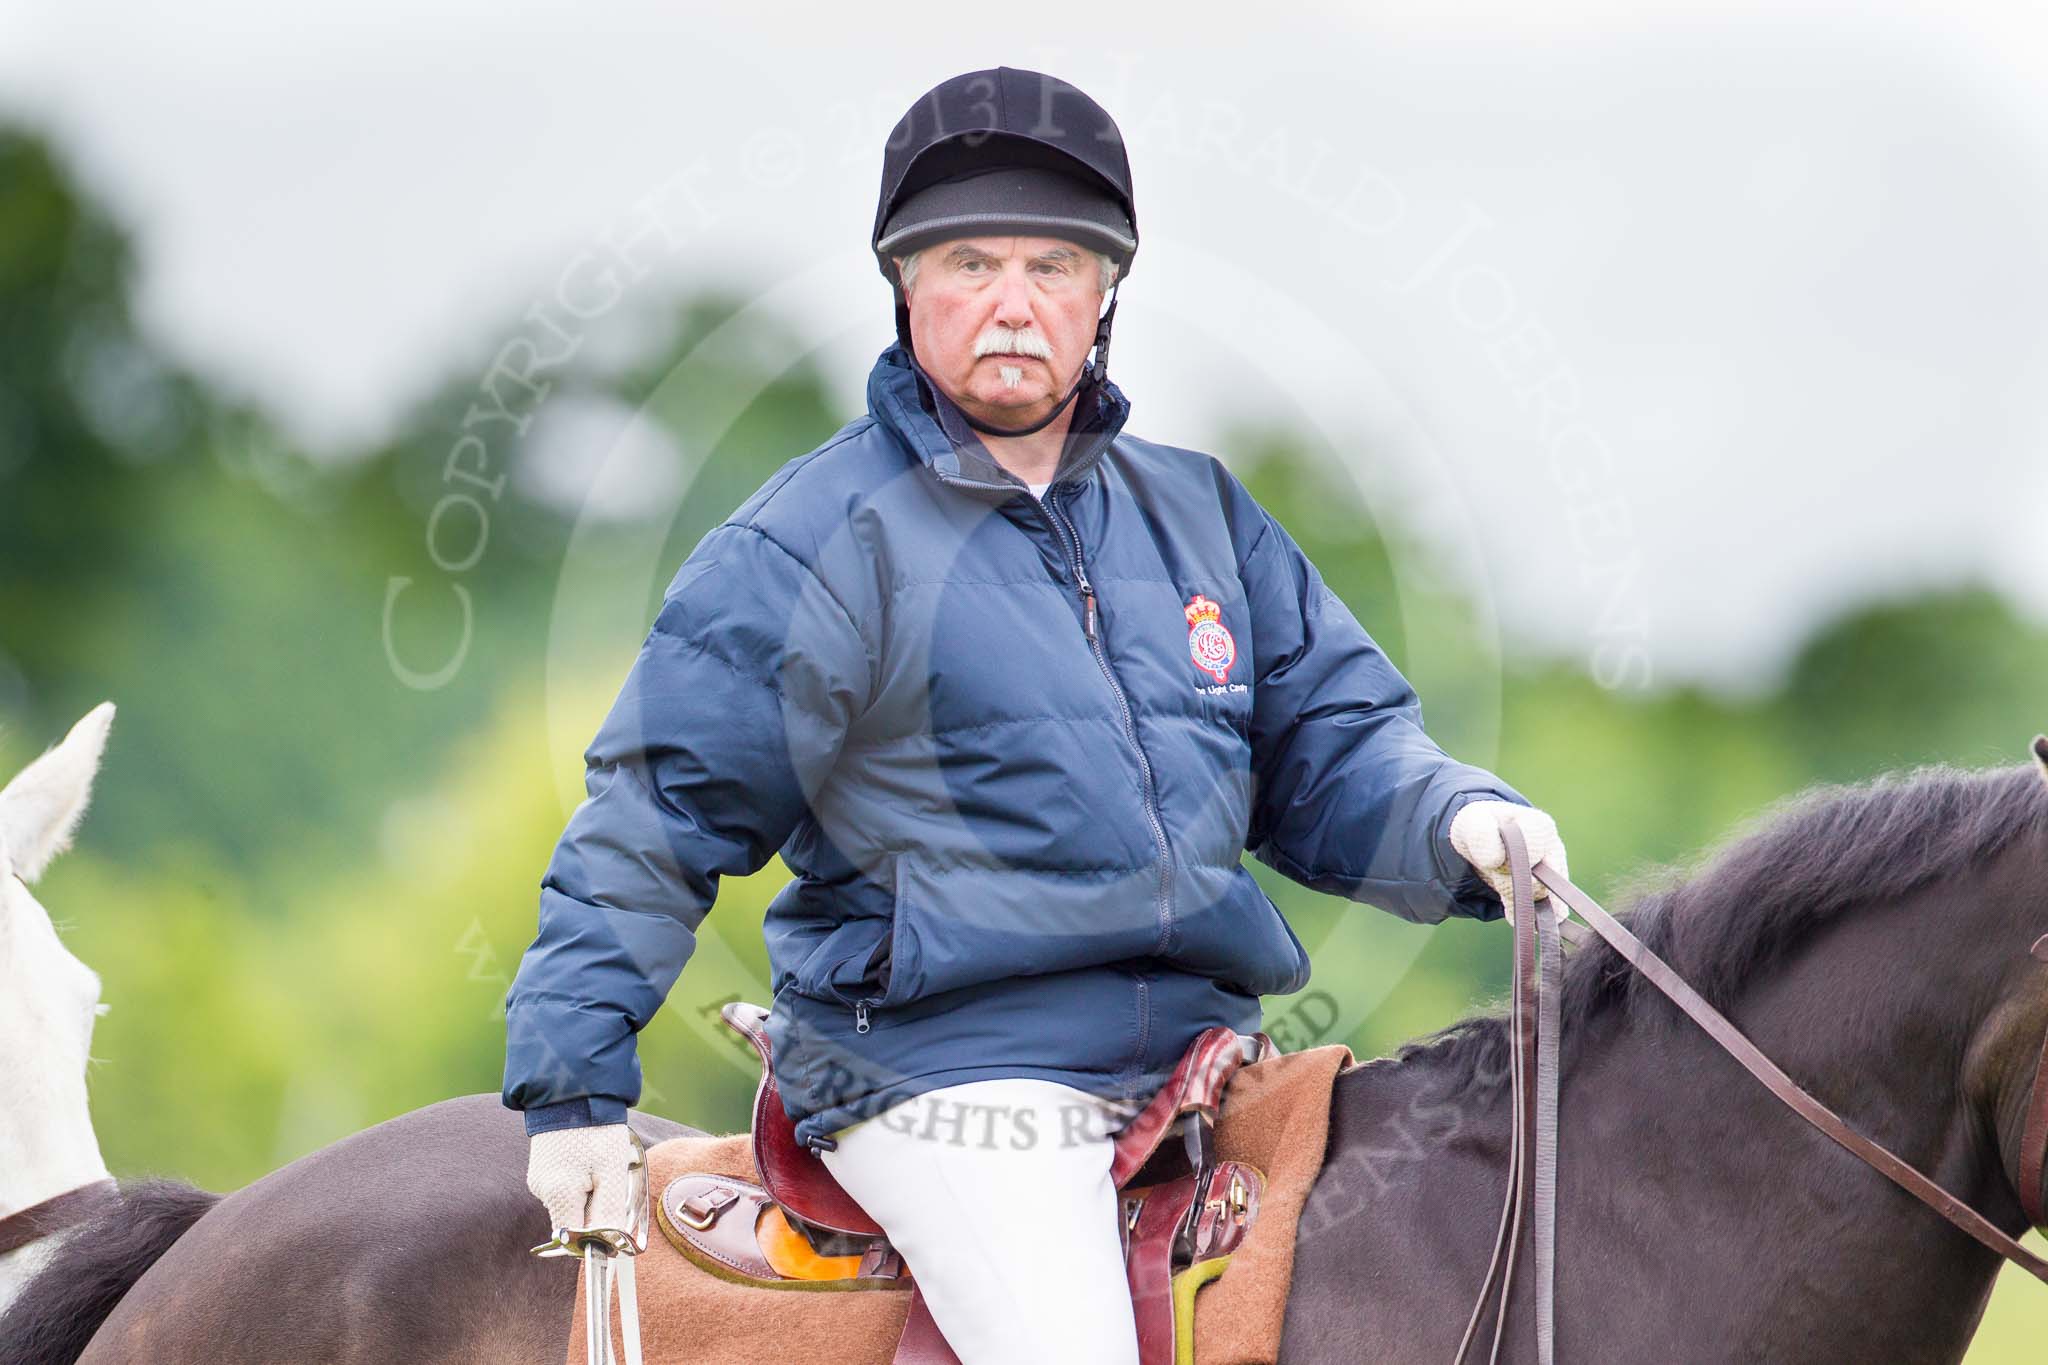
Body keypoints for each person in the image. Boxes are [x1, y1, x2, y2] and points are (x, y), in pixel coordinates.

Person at [503, 66, 1570, 1364]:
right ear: (906, 286)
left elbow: (1333, 742)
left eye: (1055, 265)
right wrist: (572, 1089)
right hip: (947, 1075)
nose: (1014, 302)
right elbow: (654, 816)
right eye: (971, 261)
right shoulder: (805, 542)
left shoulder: (1205, 517)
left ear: (1104, 292)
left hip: (1202, 1052)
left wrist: (1460, 812)